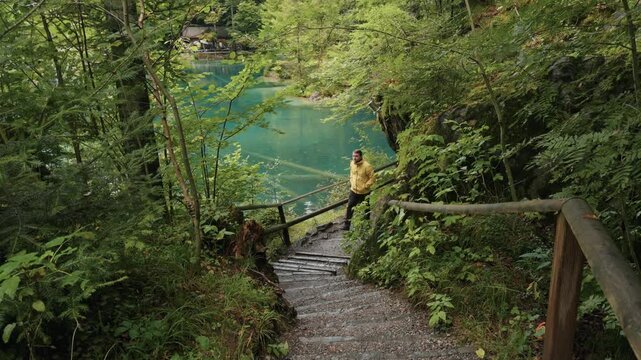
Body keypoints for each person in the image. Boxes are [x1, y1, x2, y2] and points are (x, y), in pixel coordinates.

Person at [343, 149, 375, 230]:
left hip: (364, 192)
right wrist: (351, 181)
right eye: (353, 156)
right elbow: (351, 174)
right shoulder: (352, 163)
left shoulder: (367, 166)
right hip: (353, 190)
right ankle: (347, 225)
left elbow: (373, 178)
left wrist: (366, 186)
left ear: (361, 156)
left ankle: (366, 224)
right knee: (350, 207)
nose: (354, 158)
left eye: (356, 156)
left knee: (366, 208)